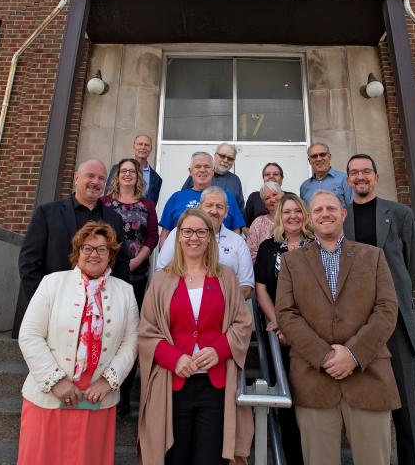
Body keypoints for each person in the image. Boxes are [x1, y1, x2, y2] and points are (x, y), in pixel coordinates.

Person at [275, 191, 400, 465]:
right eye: (318, 210)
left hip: (368, 377)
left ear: (343, 214)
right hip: (314, 379)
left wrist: (353, 355)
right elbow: (286, 314)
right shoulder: (291, 262)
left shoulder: (373, 256)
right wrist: (326, 356)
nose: (325, 214)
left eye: (331, 208)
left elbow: (387, 310)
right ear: (310, 218)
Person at [137, 208, 254, 465]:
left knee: (210, 459)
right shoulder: (161, 280)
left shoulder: (226, 277)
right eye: (187, 231)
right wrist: (174, 358)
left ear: (211, 237)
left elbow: (243, 323)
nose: (194, 238)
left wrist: (219, 350)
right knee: (174, 458)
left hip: (215, 387)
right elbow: (147, 332)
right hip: (172, 385)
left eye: (202, 232)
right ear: (178, 236)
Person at [16, 221, 139, 465]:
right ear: (77, 252)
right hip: (50, 396)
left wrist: (108, 381)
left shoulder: (125, 291)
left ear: (111, 255)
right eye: (88, 248)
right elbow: (29, 335)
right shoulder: (52, 283)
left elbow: (131, 342)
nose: (94, 255)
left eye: (102, 249)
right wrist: (56, 381)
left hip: (97, 397)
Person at [343, 153, 415, 465]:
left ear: (375, 176)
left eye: (366, 171)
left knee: (405, 406)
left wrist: (393, 297)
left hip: (395, 322)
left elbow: (412, 264)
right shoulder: (341, 216)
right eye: (354, 173)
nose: (360, 177)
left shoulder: (400, 214)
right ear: (348, 179)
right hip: (356, 324)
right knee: (365, 404)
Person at [13, 159, 127, 337]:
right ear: (76, 178)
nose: (96, 182)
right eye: (90, 176)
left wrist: (114, 305)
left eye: (101, 178)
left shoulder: (114, 219)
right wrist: (44, 303)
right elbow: (29, 262)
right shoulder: (47, 213)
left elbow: (121, 265)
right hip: (55, 311)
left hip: (99, 314)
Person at [254, 192, 313, 465]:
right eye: (287, 211)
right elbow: (261, 287)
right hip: (281, 334)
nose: (292, 216)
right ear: (280, 216)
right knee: (287, 398)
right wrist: (279, 320)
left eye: (297, 211)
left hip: (314, 332)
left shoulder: (317, 245)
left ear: (305, 215)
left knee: (311, 397)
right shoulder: (268, 247)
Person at [101, 157, 159, 416]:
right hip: (106, 276)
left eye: (132, 172)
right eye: (123, 171)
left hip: (136, 276)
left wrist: (136, 261)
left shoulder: (147, 204)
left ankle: (123, 395)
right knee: (106, 330)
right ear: (117, 175)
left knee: (128, 332)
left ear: (138, 177)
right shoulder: (104, 203)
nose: (127, 175)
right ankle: (101, 387)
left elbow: (152, 237)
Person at [156, 186, 254, 300]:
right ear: (199, 207)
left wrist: (223, 306)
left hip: (226, 312)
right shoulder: (178, 234)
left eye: (219, 207)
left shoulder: (238, 242)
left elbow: (246, 286)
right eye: (209, 205)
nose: (214, 211)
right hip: (181, 307)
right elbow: (161, 273)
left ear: (226, 212)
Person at [159, 152, 246, 241]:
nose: (202, 170)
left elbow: (236, 234)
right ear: (190, 171)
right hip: (183, 254)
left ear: (213, 171)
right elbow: (165, 236)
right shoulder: (176, 198)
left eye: (207, 166)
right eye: (197, 166)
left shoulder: (227, 198)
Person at [181, 142, 245, 212]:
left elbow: (240, 207)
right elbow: (183, 199)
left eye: (230, 158)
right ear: (215, 155)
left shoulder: (235, 180)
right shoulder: (199, 175)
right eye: (222, 156)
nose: (225, 160)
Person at [105, 134, 163, 204]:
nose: (143, 147)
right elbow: (107, 195)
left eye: (146, 145)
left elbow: (153, 205)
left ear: (151, 149)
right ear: (134, 147)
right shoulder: (117, 168)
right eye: (140, 144)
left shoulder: (156, 178)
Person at [299, 143, 352, 207]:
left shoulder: (345, 179)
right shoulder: (304, 186)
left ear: (329, 157)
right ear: (309, 161)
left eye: (322, 155)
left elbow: (351, 208)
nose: (319, 159)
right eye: (314, 156)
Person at [245, 181, 283, 261]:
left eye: (275, 194)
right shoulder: (258, 223)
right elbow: (250, 253)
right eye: (267, 198)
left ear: (282, 195)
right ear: (264, 203)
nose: (272, 199)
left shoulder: (292, 219)